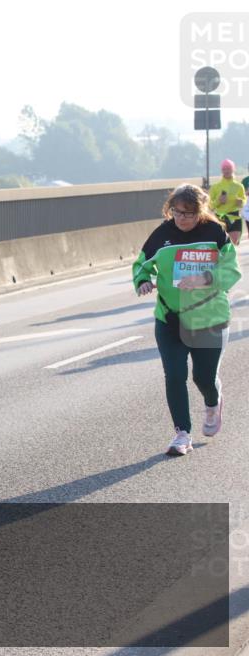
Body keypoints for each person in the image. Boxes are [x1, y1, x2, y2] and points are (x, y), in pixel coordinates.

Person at [133, 183, 241, 455]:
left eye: (189, 213)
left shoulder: (214, 232)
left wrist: (205, 278)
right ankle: (182, 434)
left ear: (200, 211)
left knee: (203, 377)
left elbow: (232, 270)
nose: (182, 218)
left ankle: (213, 401)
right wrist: (143, 281)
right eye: (176, 212)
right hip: (170, 318)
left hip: (209, 317)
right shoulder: (161, 234)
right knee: (175, 375)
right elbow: (141, 265)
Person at [208, 158, 246, 245]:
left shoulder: (239, 186)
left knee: (233, 243)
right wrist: (219, 201)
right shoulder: (216, 187)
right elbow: (210, 206)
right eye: (224, 169)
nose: (226, 171)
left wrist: (241, 202)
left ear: (233, 169)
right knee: (221, 244)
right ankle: (223, 258)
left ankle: (231, 258)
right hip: (220, 218)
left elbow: (243, 201)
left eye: (228, 168)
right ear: (221, 170)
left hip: (234, 217)